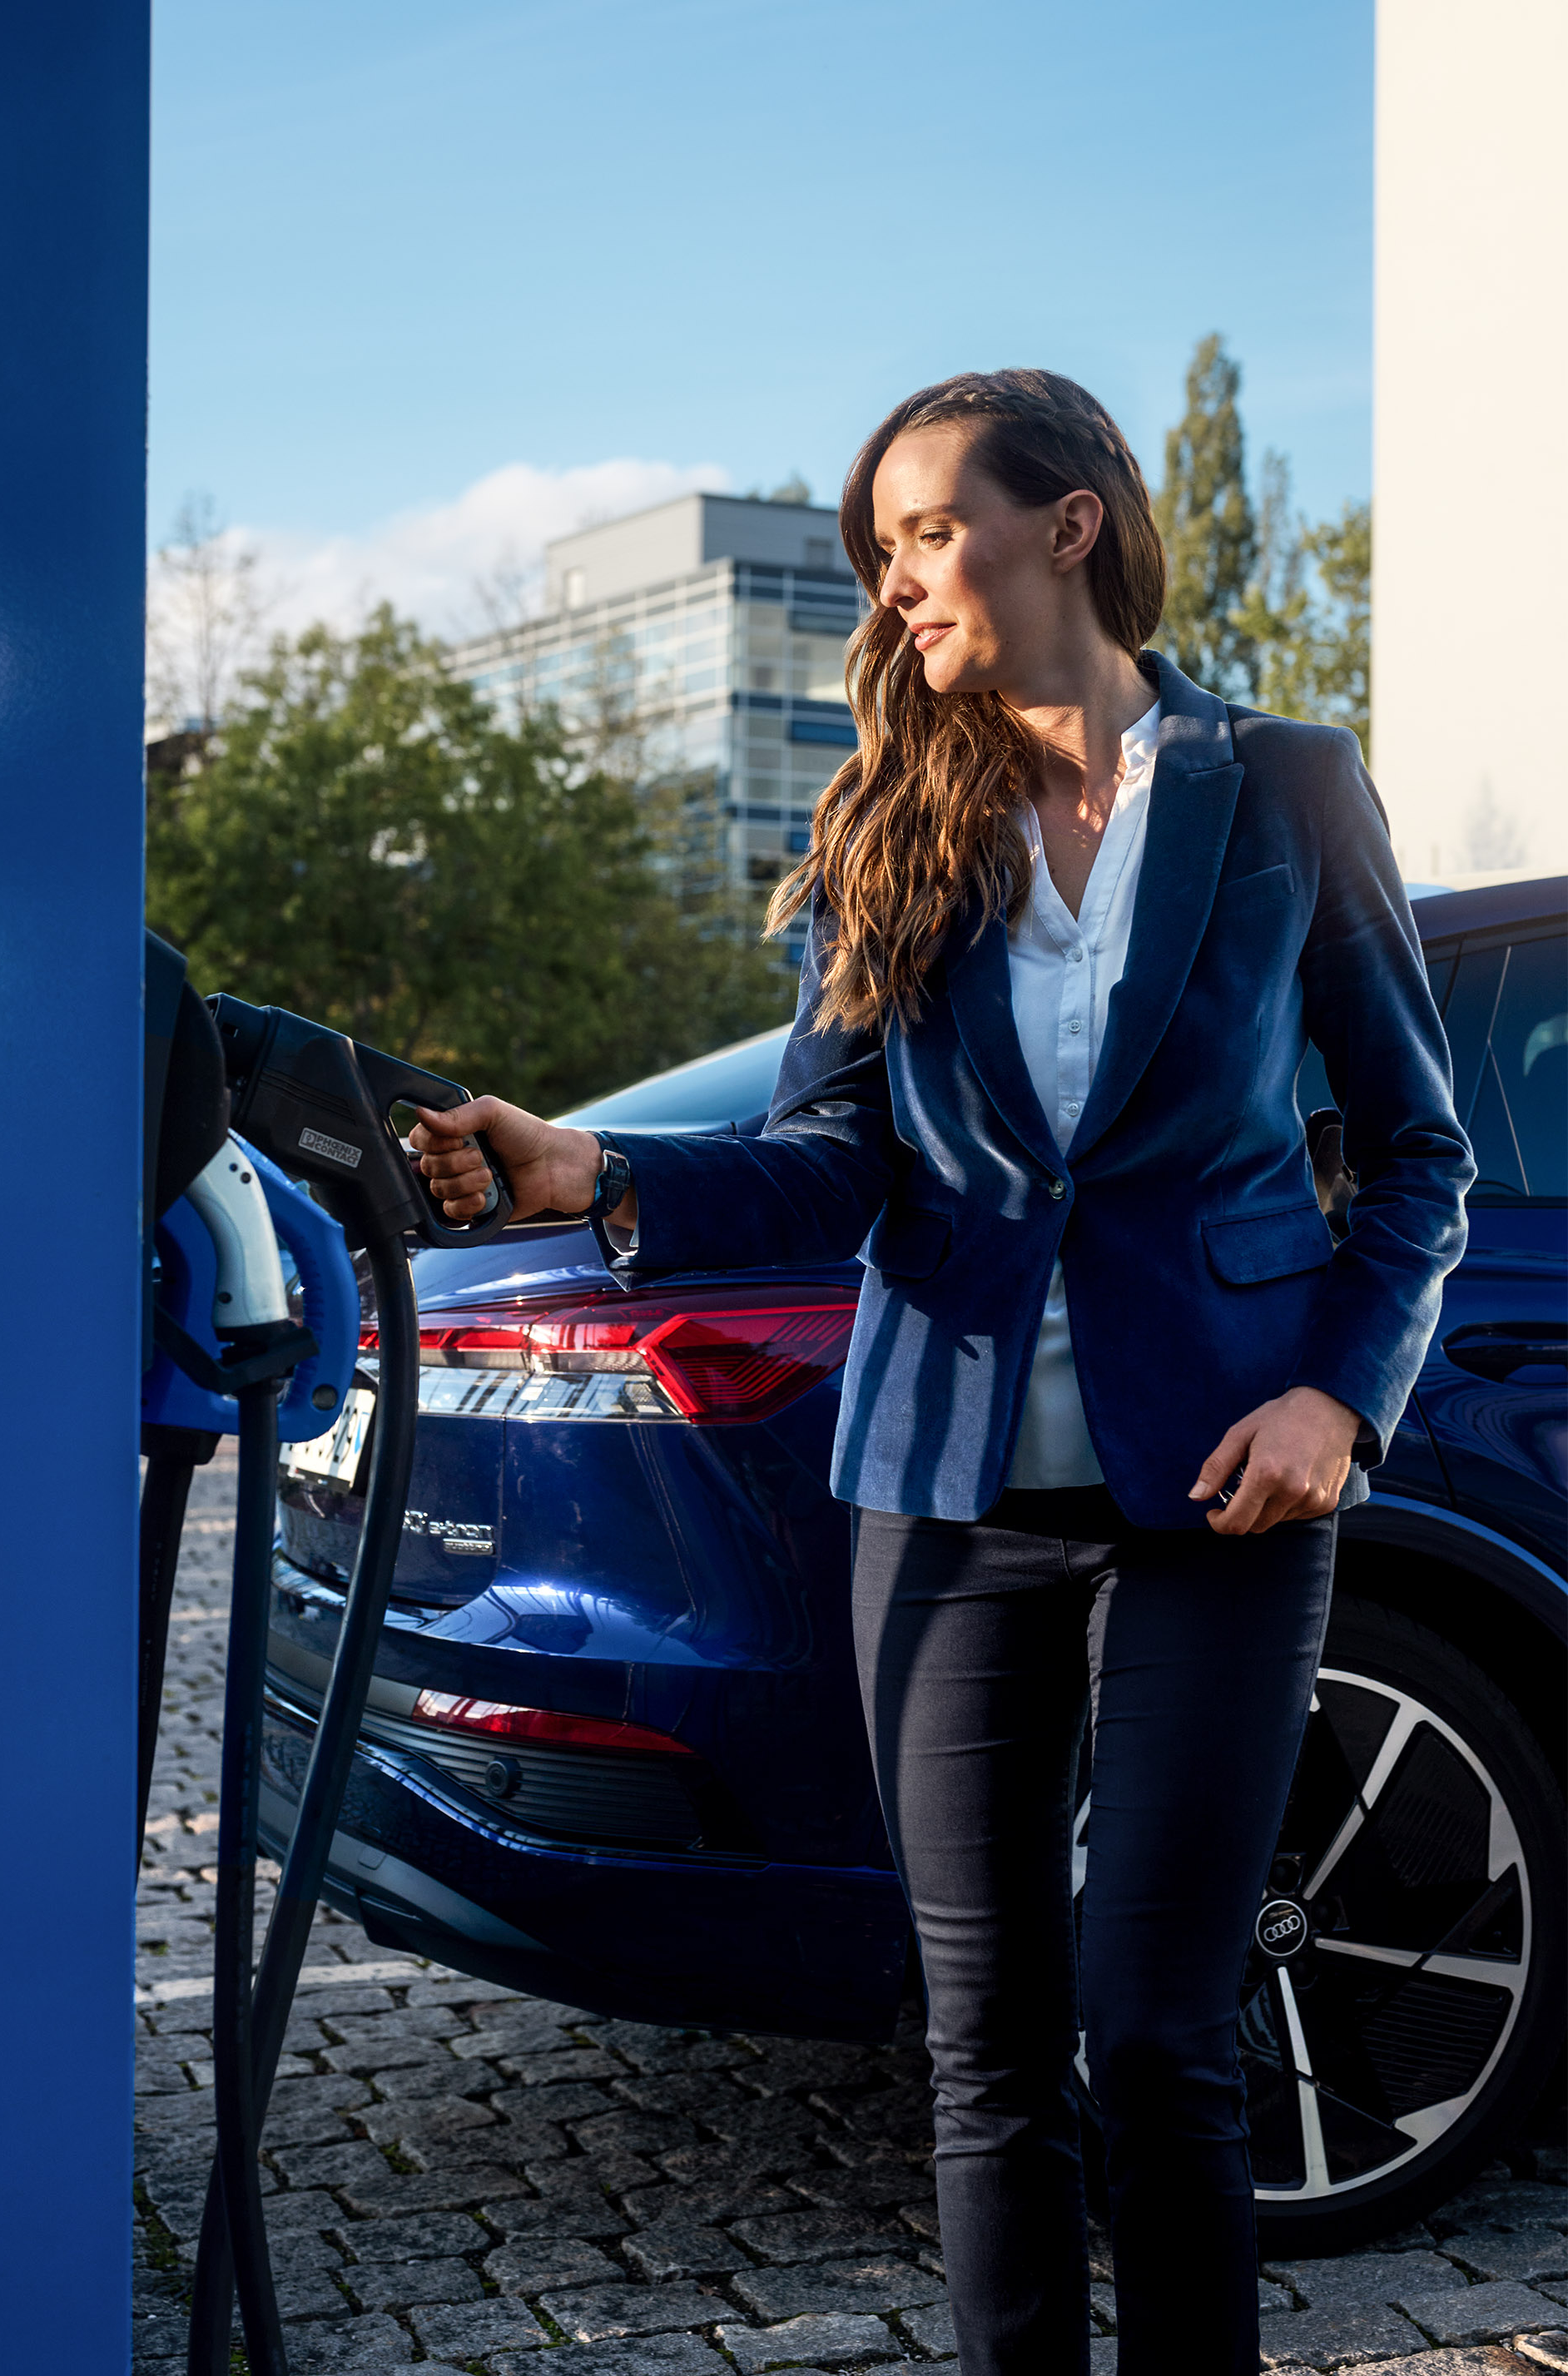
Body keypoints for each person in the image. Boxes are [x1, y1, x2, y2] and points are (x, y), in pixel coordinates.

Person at [411, 370, 1472, 2376]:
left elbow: (1421, 1149)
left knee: (1160, 2034)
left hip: (1225, 1491)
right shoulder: (886, 817)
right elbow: (834, 1158)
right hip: (946, 1494)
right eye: (875, 552)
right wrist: (595, 1167)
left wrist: (1344, 1390)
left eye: (921, 534)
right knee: (985, 2049)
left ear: (1067, 525)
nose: (891, 588)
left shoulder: (1291, 786)